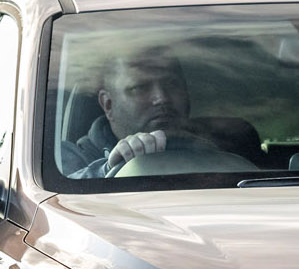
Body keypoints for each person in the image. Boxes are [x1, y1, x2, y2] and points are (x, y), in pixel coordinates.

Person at [62, 48, 261, 178]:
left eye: (172, 84)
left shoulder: (233, 145)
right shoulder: (67, 159)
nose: (161, 97)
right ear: (108, 104)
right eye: (140, 88)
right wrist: (108, 168)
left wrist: (212, 155)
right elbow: (57, 205)